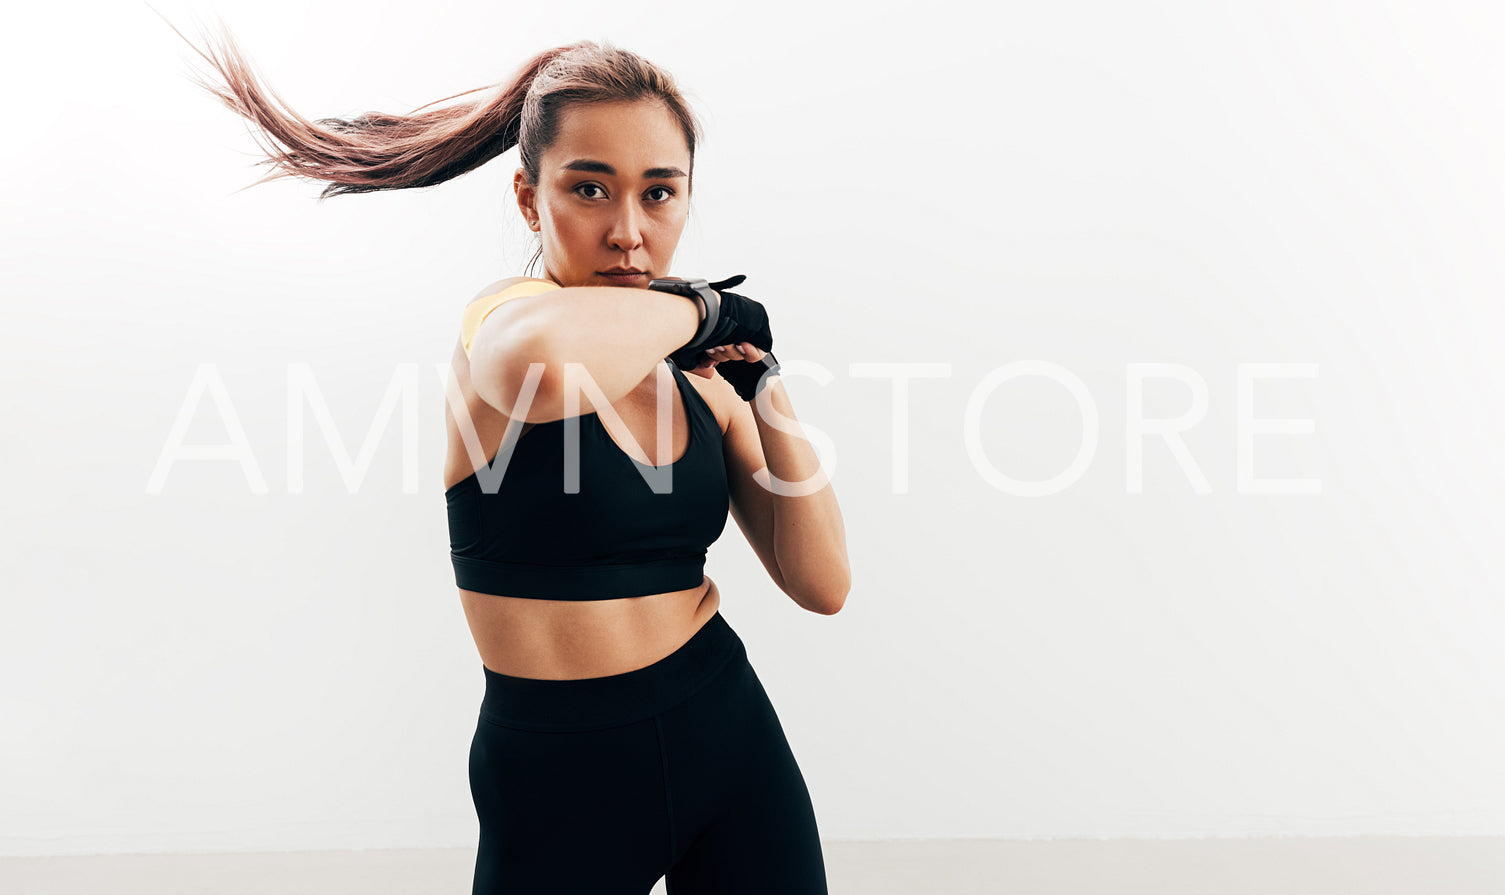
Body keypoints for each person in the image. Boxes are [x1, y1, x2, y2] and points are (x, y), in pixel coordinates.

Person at [163, 16, 851, 895]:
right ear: (529, 198)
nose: (629, 232)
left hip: (729, 733)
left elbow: (822, 583)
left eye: (659, 193)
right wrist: (706, 309)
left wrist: (762, 378)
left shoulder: (703, 382)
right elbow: (547, 365)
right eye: (590, 190)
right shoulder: (503, 326)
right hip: (562, 776)